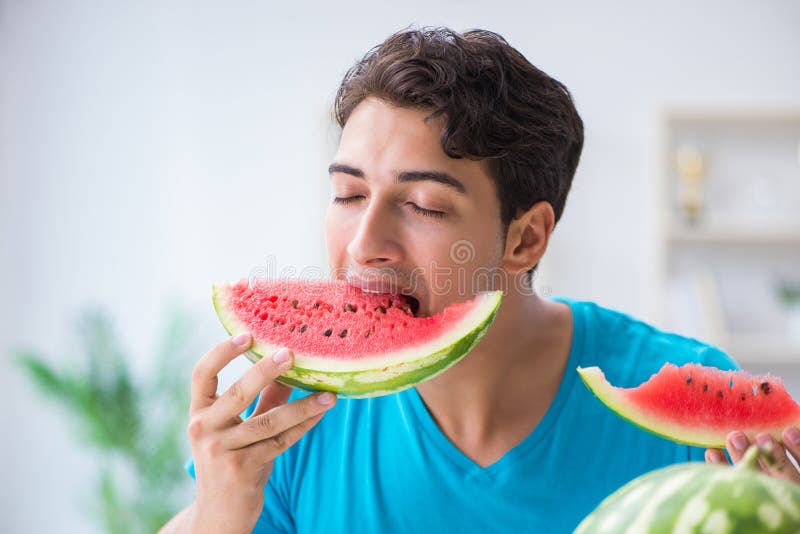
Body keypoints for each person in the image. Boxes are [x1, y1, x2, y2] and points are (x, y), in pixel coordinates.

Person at [160, 27, 800, 533]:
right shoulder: (284, 418)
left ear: (526, 239)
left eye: (423, 206)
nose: (362, 244)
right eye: (348, 194)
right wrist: (219, 511)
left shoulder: (693, 424)